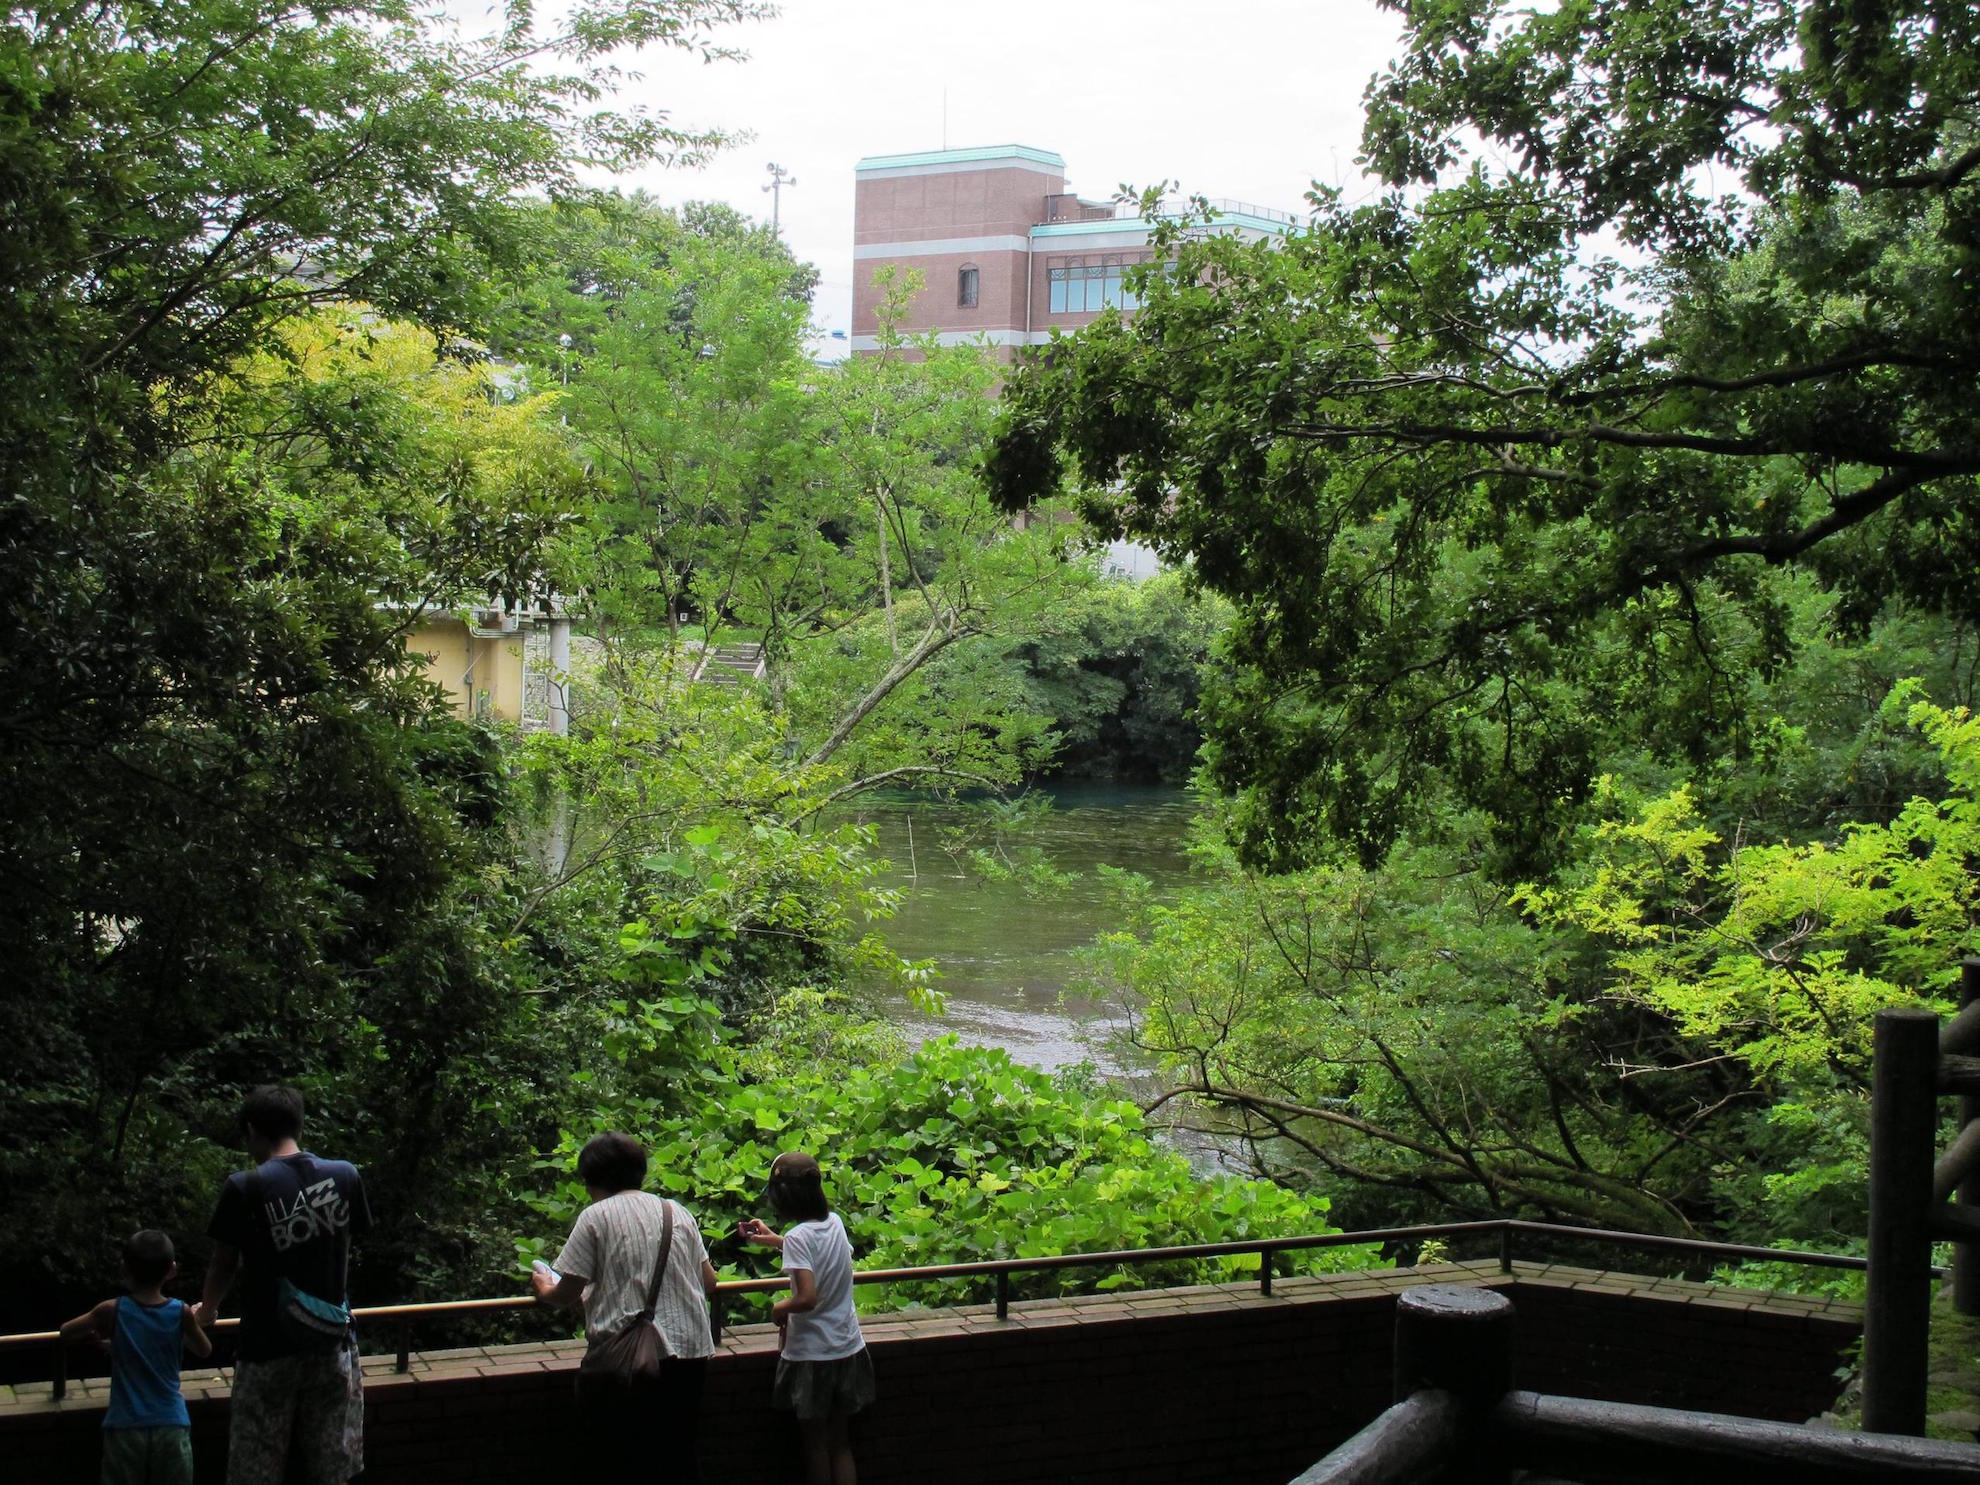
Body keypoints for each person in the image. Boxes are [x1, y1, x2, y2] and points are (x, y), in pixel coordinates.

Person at [196, 1084, 371, 1485]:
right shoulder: (344, 1175)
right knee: (331, 1464)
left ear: (252, 1129)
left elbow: (224, 1263)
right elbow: (345, 1245)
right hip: (331, 1342)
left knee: (255, 1466)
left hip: (266, 1349)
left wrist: (206, 1311)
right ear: (299, 1125)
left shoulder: (244, 1187)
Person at [532, 1131, 720, 1482]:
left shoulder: (595, 1217)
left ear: (591, 1179)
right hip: (690, 1351)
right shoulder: (675, 1211)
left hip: (626, 1359)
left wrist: (544, 1287)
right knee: (678, 1451)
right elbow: (709, 1282)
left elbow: (568, 1291)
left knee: (622, 1455)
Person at [739, 1150, 874, 1485]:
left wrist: (778, 1309)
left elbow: (806, 1298)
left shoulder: (799, 1237)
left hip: (813, 1357)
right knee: (841, 1443)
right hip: (848, 1348)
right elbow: (821, 1254)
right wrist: (775, 1241)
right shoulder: (835, 1222)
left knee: (815, 1446)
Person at [62, 1230, 213, 1485]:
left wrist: (104, 1337)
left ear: (123, 1269)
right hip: (171, 1424)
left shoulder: (111, 1310)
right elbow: (204, 1349)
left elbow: (67, 1332)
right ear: (172, 1270)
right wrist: (195, 1322)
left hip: (125, 1426)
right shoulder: (181, 1312)